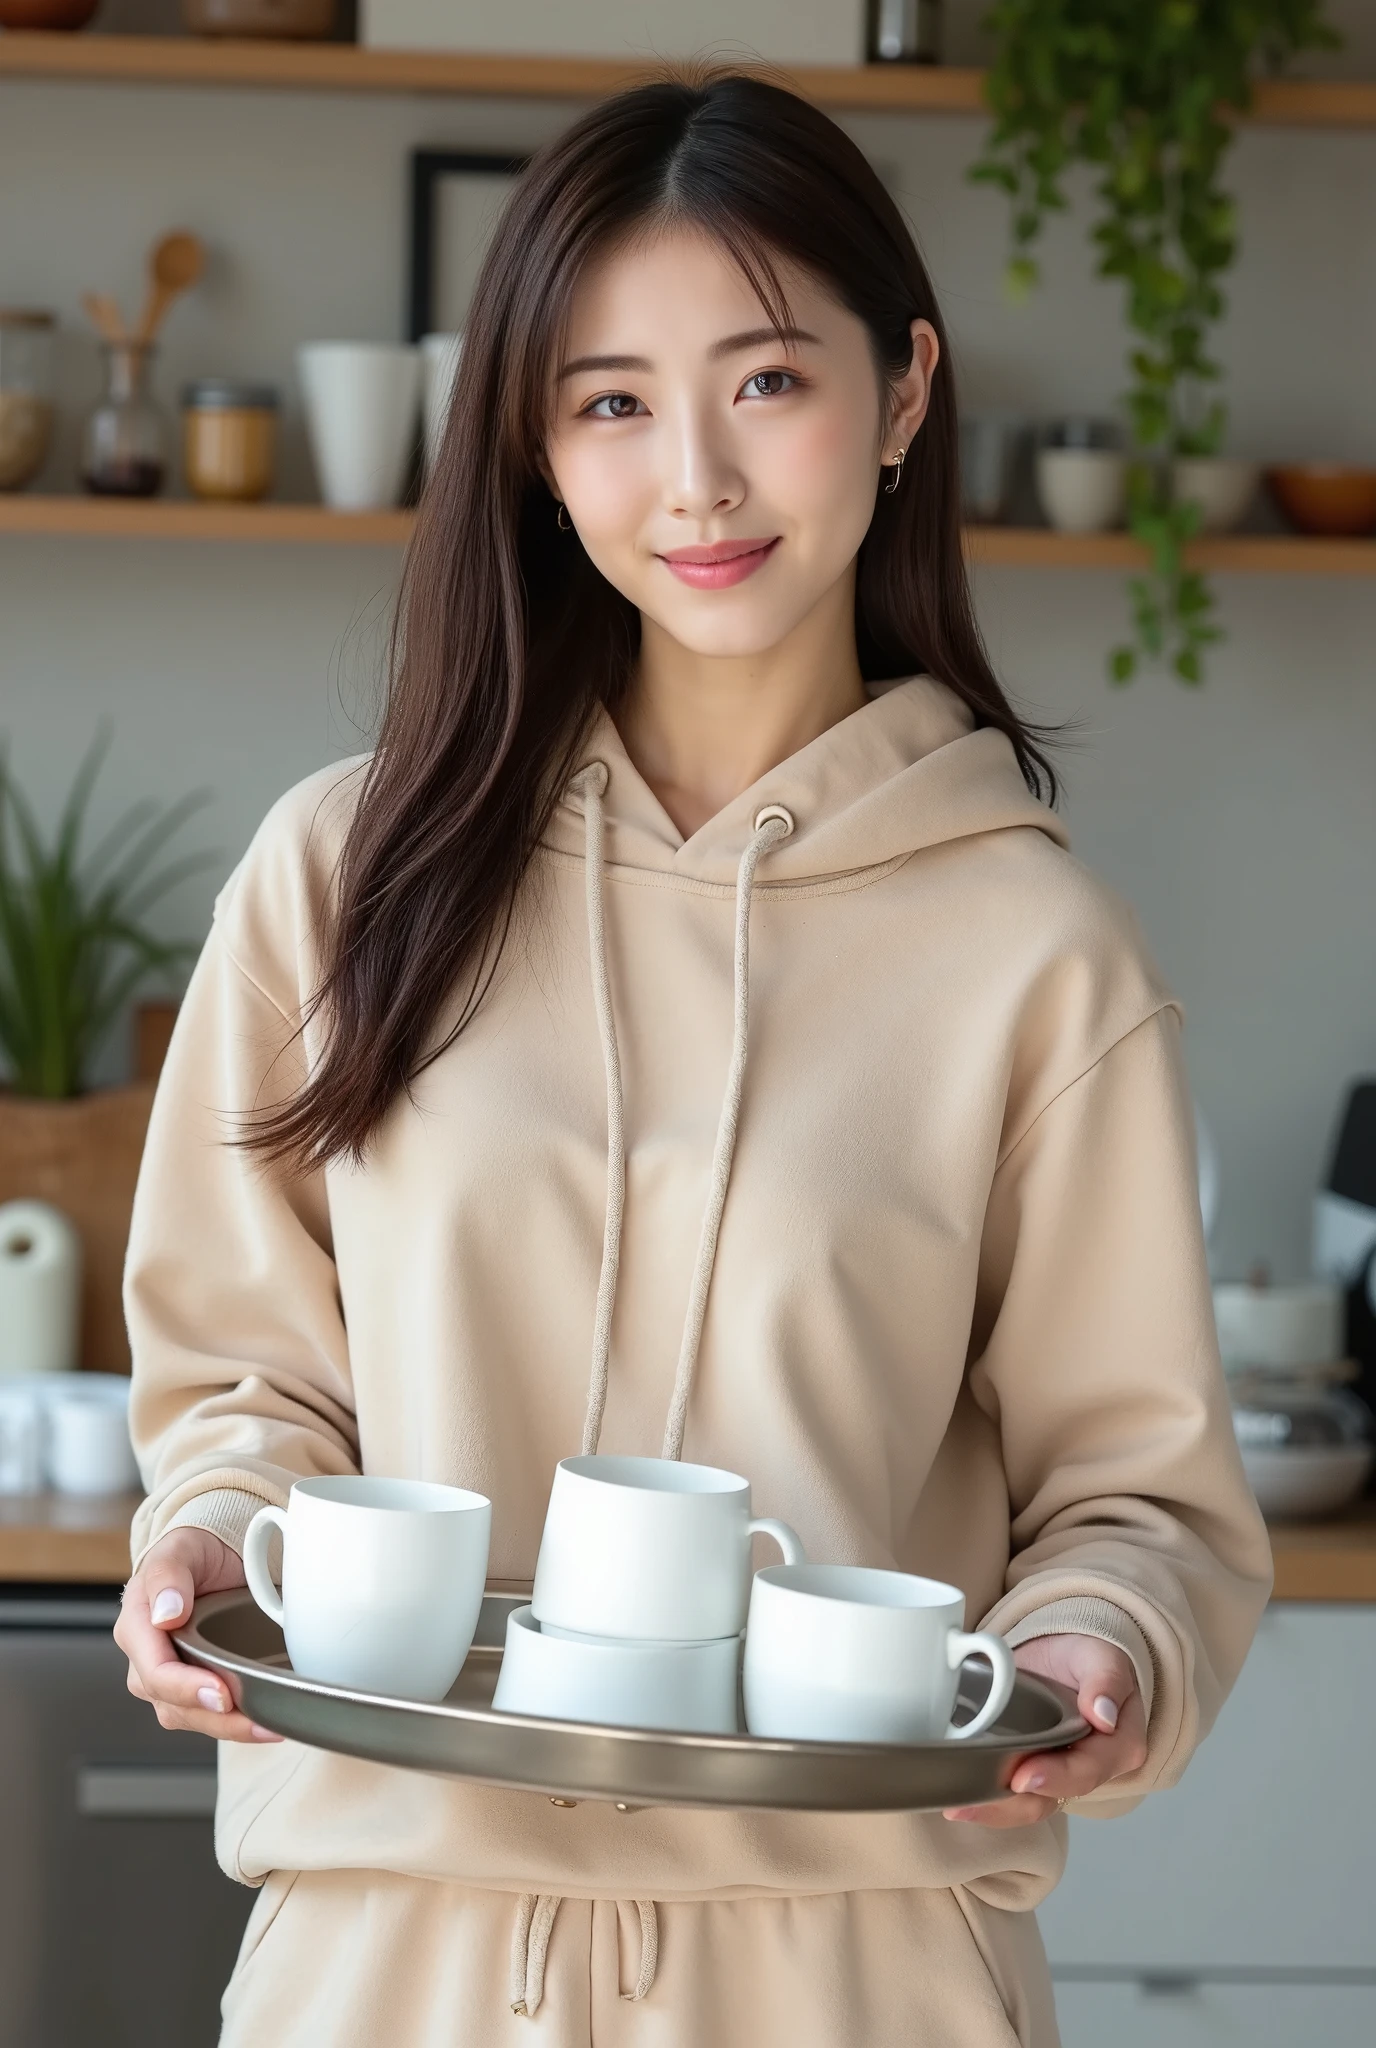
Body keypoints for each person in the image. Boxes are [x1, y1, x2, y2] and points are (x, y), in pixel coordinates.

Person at [114, 71, 1271, 2048]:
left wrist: (1104, 1642)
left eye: (763, 381)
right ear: (537, 448)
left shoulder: (1033, 949)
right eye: (611, 402)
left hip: (857, 1980)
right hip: (388, 1966)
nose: (698, 485)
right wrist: (213, 1534)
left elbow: (1136, 1496)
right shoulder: (345, 871)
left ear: (902, 392)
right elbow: (249, 1378)